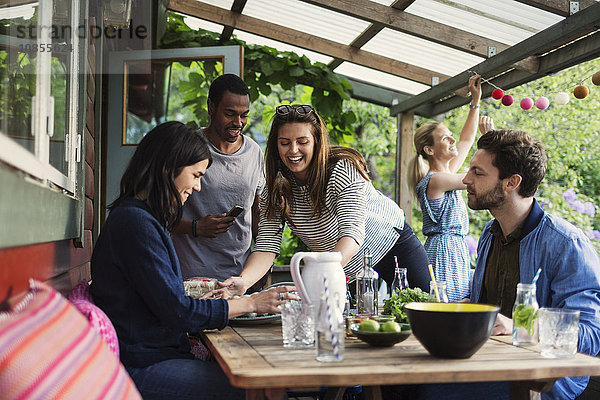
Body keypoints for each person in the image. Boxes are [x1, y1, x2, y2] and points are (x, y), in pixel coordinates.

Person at [90, 121, 293, 400]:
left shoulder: (144, 219)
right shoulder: (135, 224)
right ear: (169, 167)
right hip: (142, 367)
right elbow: (178, 312)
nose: (197, 187)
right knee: (256, 387)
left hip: (155, 355)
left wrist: (207, 301)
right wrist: (252, 304)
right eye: (196, 175)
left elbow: (166, 301)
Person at [224, 104, 431, 296]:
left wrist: (320, 273)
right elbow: (267, 245)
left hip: (391, 244)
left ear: (316, 142)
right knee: (348, 327)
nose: (293, 150)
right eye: (285, 143)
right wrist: (244, 281)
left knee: (424, 307)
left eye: (302, 142)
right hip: (342, 264)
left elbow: (352, 234)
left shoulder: (342, 170)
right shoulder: (276, 188)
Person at [463, 129, 600, 399]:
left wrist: (520, 327)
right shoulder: (489, 233)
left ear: (511, 182)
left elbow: (592, 335)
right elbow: (487, 306)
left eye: (478, 173)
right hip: (485, 364)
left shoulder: (566, 243)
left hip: (541, 382)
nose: (466, 179)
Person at [171, 74, 266, 285]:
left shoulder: (255, 152)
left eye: (244, 115)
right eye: (230, 114)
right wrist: (195, 227)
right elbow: (160, 214)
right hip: (192, 276)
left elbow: (259, 212)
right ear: (211, 107)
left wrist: (261, 264)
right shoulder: (188, 148)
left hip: (241, 276)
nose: (238, 123)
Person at [408, 75, 492, 301]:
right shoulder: (436, 180)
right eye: (445, 139)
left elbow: (466, 140)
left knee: (457, 306)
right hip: (444, 253)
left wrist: (475, 102)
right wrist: (492, 142)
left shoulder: (446, 175)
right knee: (449, 306)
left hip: (454, 250)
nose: (453, 141)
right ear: (430, 150)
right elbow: (482, 176)